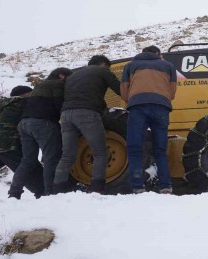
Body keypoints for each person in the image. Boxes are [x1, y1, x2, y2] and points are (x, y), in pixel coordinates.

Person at [53, 55, 120, 194]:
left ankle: (58, 189)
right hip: (87, 113)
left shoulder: (73, 75)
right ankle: (97, 189)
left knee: (67, 155)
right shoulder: (102, 71)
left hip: (66, 115)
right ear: (103, 64)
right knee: (100, 152)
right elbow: (119, 89)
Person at [8, 67, 72, 199]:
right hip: (43, 124)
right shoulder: (57, 84)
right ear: (61, 76)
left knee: (27, 160)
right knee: (51, 158)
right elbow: (60, 106)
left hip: (24, 124)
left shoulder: (39, 85)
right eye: (68, 78)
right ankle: (50, 192)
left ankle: (14, 192)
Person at [121, 46, 177, 194]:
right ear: (158, 54)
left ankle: (138, 186)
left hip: (138, 107)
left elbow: (124, 90)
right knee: (160, 149)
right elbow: (172, 92)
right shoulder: (169, 66)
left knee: (135, 149)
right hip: (161, 108)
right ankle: (165, 186)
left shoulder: (130, 66)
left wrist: (133, 100)